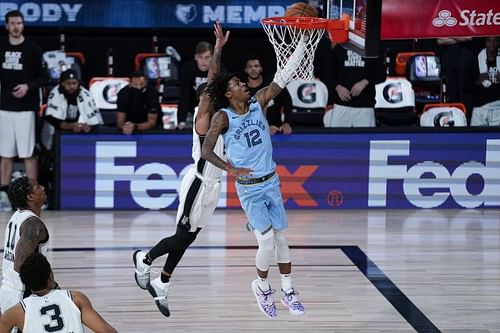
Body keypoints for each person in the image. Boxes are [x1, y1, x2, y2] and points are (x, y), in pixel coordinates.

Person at [201, 39, 307, 318]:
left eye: (241, 82)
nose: (243, 85)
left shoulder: (259, 102)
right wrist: (230, 169)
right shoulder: (222, 118)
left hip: (271, 182)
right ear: (227, 93)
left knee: (283, 240)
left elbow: (283, 76)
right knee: (267, 242)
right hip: (249, 189)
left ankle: (288, 290)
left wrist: (303, 44)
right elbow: (206, 150)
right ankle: (261, 287)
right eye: (236, 84)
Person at [133, 21, 229, 317]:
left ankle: (163, 282)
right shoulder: (204, 117)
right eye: (210, 94)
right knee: (181, 235)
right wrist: (217, 50)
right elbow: (212, 79)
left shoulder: (224, 117)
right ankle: (144, 258)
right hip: (199, 182)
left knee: (189, 236)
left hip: (213, 186)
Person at [0, 10, 47, 212]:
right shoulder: (1, 47)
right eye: (12, 23)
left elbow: (44, 77)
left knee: (29, 155)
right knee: (5, 155)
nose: (16, 26)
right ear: (7, 26)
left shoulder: (33, 49)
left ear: (23, 25)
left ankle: (32, 195)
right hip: (4, 108)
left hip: (26, 109)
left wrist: (27, 87)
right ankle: (3, 195)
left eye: (19, 23)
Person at [0, 253, 118, 333]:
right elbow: (107, 331)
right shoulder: (76, 299)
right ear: (50, 276)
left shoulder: (15, 313)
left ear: (25, 283)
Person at [0, 176, 48, 331]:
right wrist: (50, 286)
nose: (43, 187)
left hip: (8, 289)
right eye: (38, 186)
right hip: (21, 294)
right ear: (30, 196)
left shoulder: (17, 216)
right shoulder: (33, 225)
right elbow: (21, 265)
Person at [325, 45, 386, 127]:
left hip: (365, 106)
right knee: (338, 139)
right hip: (341, 105)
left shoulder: (372, 49)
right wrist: (337, 87)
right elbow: (327, 73)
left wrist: (366, 81)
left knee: (365, 139)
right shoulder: (339, 48)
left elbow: (381, 75)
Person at [42, 69, 103, 148]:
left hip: (80, 132)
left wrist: (89, 127)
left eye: (74, 83)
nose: (72, 86)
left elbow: (95, 118)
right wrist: (70, 126)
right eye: (68, 83)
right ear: (62, 83)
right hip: (58, 132)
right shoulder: (55, 93)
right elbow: (51, 118)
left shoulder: (85, 94)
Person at [243, 55, 293, 135]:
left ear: (261, 68)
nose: (253, 69)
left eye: (256, 66)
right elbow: (243, 116)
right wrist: (265, 128)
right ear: (245, 70)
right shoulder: (243, 91)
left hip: (278, 130)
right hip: (254, 133)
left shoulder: (273, 85)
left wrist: (287, 123)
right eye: (250, 67)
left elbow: (288, 102)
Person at [176, 41, 214, 129]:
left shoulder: (218, 69)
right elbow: (184, 96)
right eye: (200, 57)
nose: (203, 61)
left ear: (212, 57)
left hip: (212, 111)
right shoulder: (188, 69)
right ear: (195, 57)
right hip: (191, 110)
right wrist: (181, 120)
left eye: (207, 57)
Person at [470, 36, 500, 127]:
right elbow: (465, 86)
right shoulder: (476, 60)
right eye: (489, 41)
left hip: (498, 107)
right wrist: (478, 81)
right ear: (485, 42)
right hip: (480, 107)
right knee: (476, 139)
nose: (492, 44)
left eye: (495, 41)